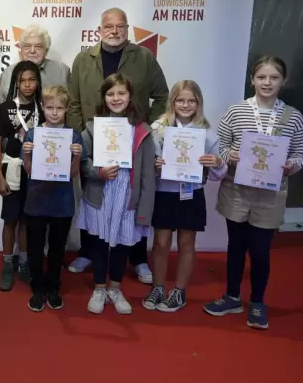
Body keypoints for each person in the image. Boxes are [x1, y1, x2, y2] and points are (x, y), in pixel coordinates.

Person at [67, 7, 168, 283]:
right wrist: (82, 135)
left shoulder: (144, 57)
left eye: (120, 27)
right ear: (100, 29)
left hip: (131, 143)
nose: (114, 31)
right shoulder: (82, 59)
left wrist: (144, 127)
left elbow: (162, 96)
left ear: (127, 29)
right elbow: (73, 102)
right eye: (108, 26)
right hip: (94, 142)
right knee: (94, 196)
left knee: (130, 199)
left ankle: (137, 258)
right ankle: (88, 251)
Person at [204, 55, 303, 329]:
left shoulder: (293, 116)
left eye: (273, 77)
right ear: (252, 80)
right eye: (261, 77)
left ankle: (257, 301)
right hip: (237, 189)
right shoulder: (236, 111)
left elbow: (300, 153)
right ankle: (232, 296)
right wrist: (230, 154)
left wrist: (291, 165)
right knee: (235, 246)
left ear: (284, 81)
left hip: (271, 194)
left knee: (260, 250)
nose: (267, 83)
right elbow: (220, 145)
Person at [144, 81, 226, 312]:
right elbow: (147, 165)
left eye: (191, 101)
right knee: (160, 243)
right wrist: (155, 164)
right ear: (172, 102)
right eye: (180, 100)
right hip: (165, 192)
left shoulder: (207, 133)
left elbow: (220, 172)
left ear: (198, 103)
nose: (186, 105)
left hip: (191, 194)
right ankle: (158, 287)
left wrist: (217, 163)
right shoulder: (158, 128)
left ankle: (179, 291)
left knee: (186, 243)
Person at [78, 73, 156, 315]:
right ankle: (99, 287)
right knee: (100, 243)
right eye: (110, 93)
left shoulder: (142, 131)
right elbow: (81, 159)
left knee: (122, 244)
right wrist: (97, 171)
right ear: (104, 97)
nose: (116, 98)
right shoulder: (93, 127)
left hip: (127, 197)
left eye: (121, 93)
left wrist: (144, 207)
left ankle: (115, 288)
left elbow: (147, 174)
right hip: (101, 193)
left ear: (130, 96)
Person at [21, 85, 84, 311]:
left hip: (62, 203)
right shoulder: (33, 134)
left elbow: (74, 173)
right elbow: (29, 170)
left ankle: (54, 288)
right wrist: (27, 152)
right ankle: (37, 288)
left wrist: (76, 156)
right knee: (35, 249)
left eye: (59, 108)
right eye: (49, 107)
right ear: (43, 108)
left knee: (57, 249)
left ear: (66, 109)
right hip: (36, 202)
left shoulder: (74, 136)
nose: (54, 112)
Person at [0, 61, 43, 291]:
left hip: (36, 173)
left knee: (27, 220)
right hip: (11, 170)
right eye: (22, 81)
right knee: (10, 219)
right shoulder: (5, 108)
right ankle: (8, 263)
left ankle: (24, 263)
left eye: (31, 80)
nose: (27, 85)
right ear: (16, 83)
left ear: (38, 82)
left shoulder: (45, 108)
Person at [0, 24, 70, 104]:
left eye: (38, 46)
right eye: (27, 46)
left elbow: (71, 107)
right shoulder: (8, 73)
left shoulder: (62, 71)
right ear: (21, 49)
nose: (32, 51)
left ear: (46, 50)